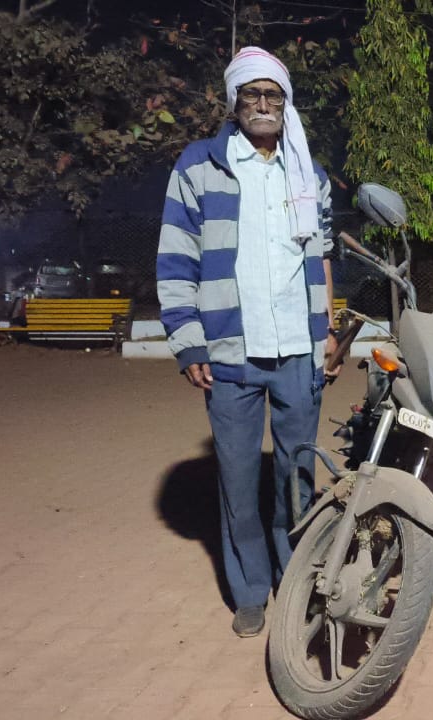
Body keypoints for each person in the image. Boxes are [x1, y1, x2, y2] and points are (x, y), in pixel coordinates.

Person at [157, 47, 336, 637]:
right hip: (229, 352)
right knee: (237, 480)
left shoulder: (307, 173)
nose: (263, 104)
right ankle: (251, 590)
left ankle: (298, 577)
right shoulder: (200, 166)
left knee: (298, 475)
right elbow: (175, 259)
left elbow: (321, 257)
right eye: (251, 94)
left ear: (286, 103)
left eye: (273, 95)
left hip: (298, 350)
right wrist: (189, 342)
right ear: (234, 101)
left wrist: (327, 332)